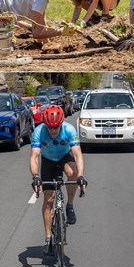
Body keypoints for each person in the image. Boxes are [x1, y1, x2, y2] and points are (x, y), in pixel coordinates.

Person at [29, 105, 85, 253]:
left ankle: (70, 205)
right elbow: (34, 157)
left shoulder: (69, 130)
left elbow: (78, 154)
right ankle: (48, 238)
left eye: (56, 128)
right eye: (50, 128)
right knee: (48, 199)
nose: (53, 131)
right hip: (48, 161)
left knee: (72, 172)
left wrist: (80, 176)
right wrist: (35, 177)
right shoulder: (39, 132)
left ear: (61, 124)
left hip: (64, 157)